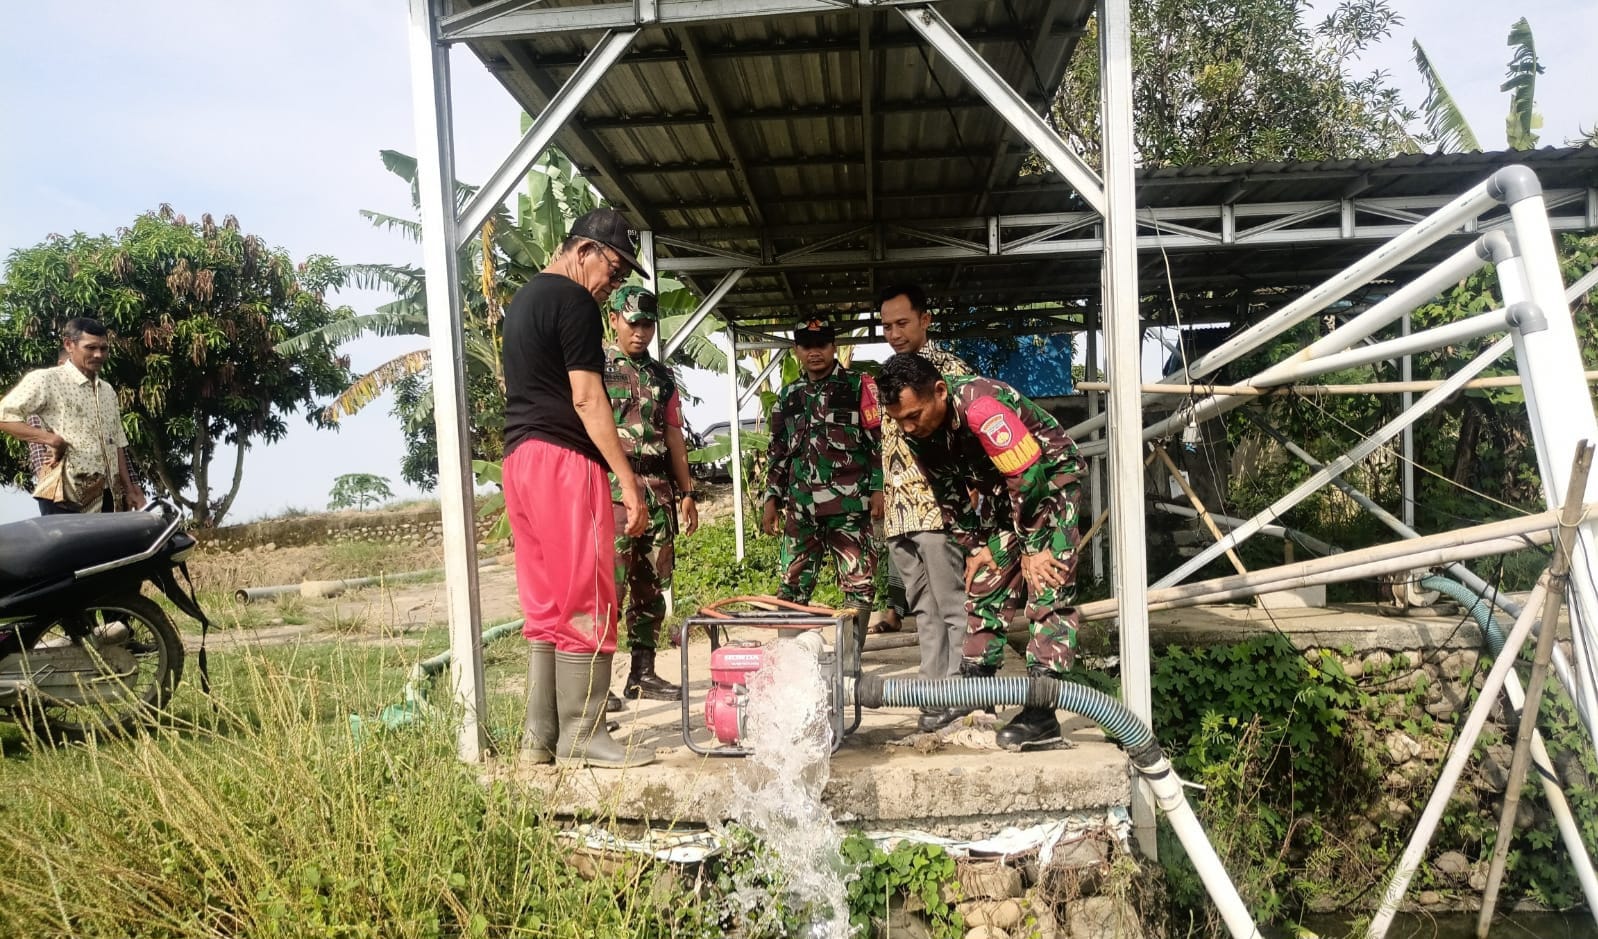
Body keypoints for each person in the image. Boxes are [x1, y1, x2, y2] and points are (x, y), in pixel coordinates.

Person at [500, 207, 655, 770]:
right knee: (589, 595)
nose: (613, 283)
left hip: (519, 461)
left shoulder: (522, 302)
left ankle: (538, 739)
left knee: (545, 603)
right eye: (613, 269)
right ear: (584, 249)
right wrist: (627, 479)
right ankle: (584, 733)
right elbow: (589, 400)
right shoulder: (574, 303)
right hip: (565, 461)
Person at [876, 353, 1085, 750]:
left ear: (939, 391)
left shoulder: (981, 407)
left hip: (1048, 484)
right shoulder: (917, 429)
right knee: (985, 581)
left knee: (1046, 582)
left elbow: (1029, 478)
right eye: (899, 419)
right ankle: (972, 692)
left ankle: (1042, 713)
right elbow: (948, 493)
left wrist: (1030, 548)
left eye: (914, 415)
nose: (907, 427)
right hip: (1004, 495)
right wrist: (976, 548)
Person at [876, 285, 976, 732]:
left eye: (902, 323)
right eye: (887, 326)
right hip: (901, 513)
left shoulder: (950, 372)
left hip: (939, 510)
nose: (894, 333)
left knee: (953, 606)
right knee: (922, 611)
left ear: (925, 320)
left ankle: (960, 695)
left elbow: (970, 445)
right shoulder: (890, 376)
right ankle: (932, 694)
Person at [762, 318, 883, 665]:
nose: (814, 352)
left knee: (858, 584)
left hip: (849, 505)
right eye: (806, 345)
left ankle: (849, 663)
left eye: (822, 344)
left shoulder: (859, 386)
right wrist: (771, 499)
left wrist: (878, 489)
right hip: (801, 510)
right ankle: (789, 662)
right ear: (797, 350)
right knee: (791, 585)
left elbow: (878, 441)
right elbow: (778, 451)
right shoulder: (788, 396)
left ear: (833, 347)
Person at [603, 286, 699, 704]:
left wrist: (687, 492)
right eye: (632, 323)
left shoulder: (662, 376)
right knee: (609, 586)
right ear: (613, 320)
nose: (640, 332)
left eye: (647, 324)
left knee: (650, 587)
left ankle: (642, 674)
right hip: (613, 494)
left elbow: (674, 436)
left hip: (658, 493)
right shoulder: (596, 369)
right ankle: (592, 686)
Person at [0, 318, 145, 514]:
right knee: (73, 545)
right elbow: (4, 416)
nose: (98, 354)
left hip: (108, 496)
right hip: (65, 496)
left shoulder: (107, 391)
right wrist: (51, 440)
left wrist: (130, 489)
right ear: (69, 345)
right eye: (91, 347)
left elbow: (117, 443)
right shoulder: (46, 380)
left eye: (104, 349)